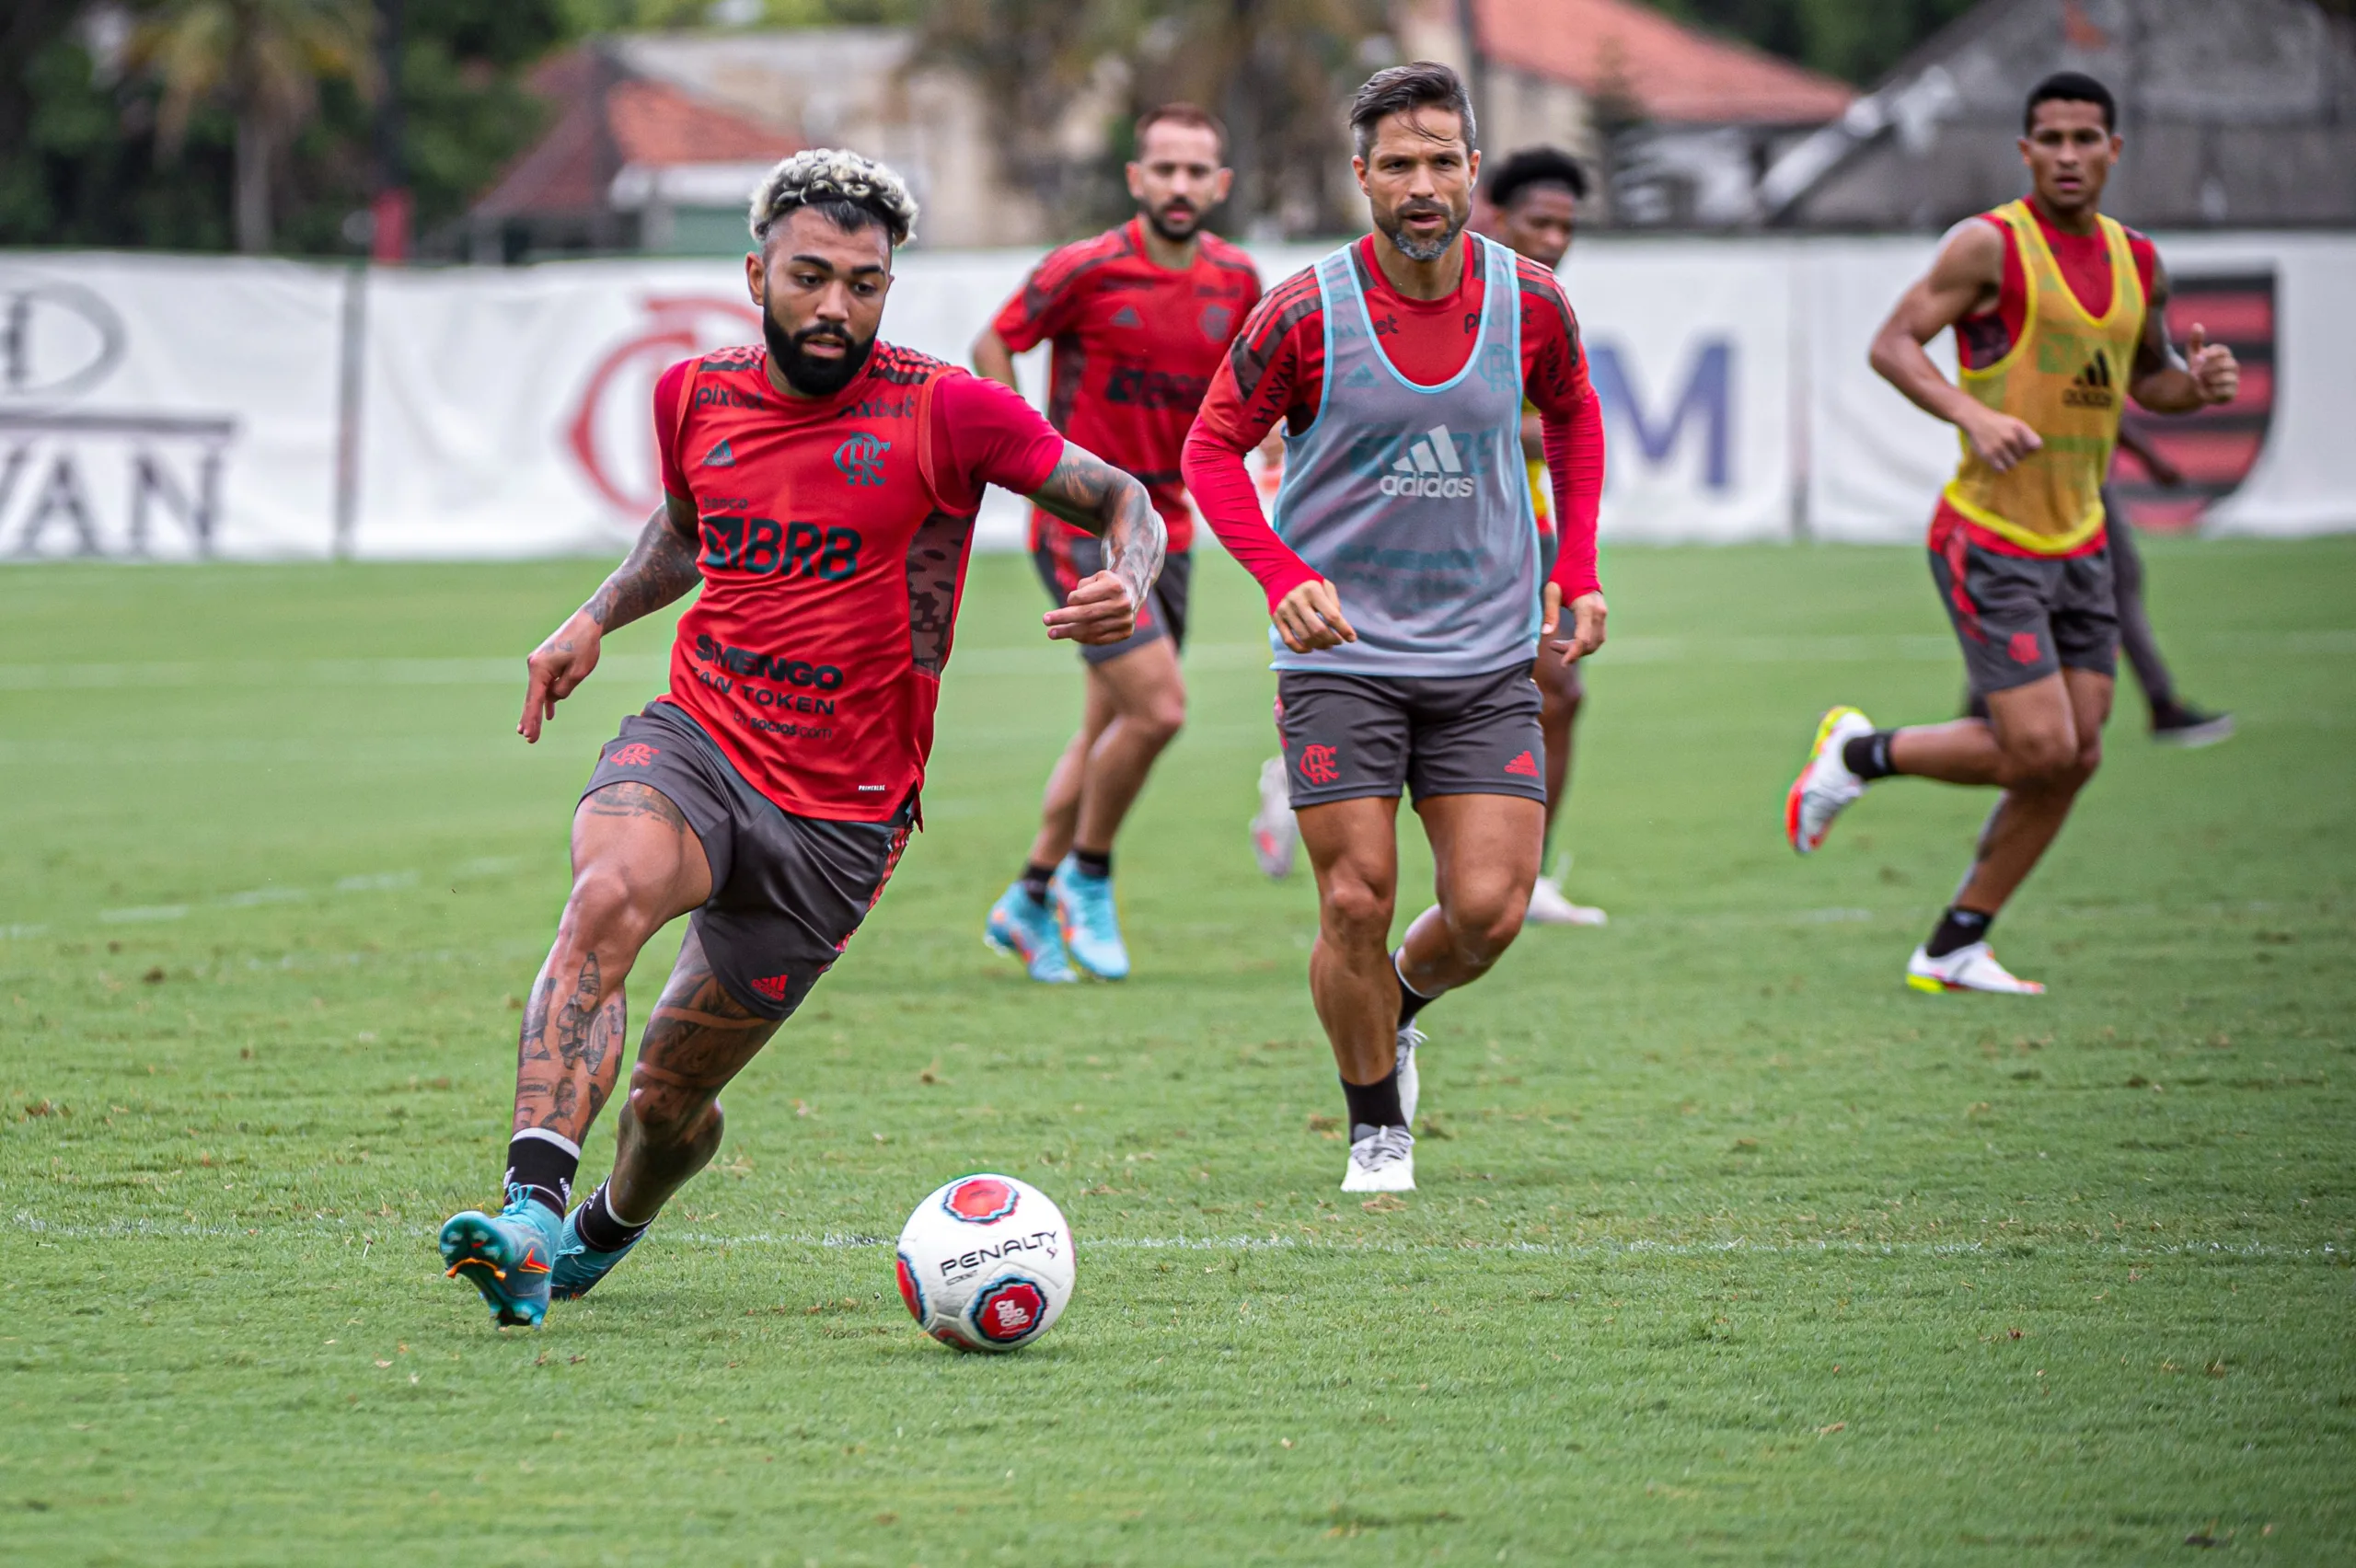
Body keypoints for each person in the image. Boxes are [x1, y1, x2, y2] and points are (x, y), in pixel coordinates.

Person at [437, 150, 1163, 1328]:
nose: (836, 308)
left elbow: (1127, 497)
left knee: (670, 1105)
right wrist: (593, 616)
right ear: (755, 271)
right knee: (606, 892)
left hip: (841, 818)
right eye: (811, 277)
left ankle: (597, 1233)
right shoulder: (693, 396)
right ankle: (526, 1207)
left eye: (864, 286)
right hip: (701, 741)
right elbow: (685, 535)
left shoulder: (947, 409)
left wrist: (1128, 579)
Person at [1183, 63, 1607, 1193]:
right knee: (1353, 898)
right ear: (1361, 176)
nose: (1422, 186)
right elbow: (1209, 449)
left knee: (1487, 913)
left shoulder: (1531, 302)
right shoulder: (1303, 309)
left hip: (1483, 659)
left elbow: (1571, 414)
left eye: (1441, 161)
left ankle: (1397, 1008)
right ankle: (1377, 1126)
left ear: (1472, 168)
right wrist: (1278, 574)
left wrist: (1578, 565)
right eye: (1398, 165)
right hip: (1342, 662)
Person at [1788, 73, 2237, 995]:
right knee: (2037, 747)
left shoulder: (2136, 262)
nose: (2068, 155)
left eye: (2085, 138)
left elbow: (2143, 379)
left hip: (2081, 541)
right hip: (1988, 533)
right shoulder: (1990, 247)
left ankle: (1956, 941)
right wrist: (1971, 414)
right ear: (2024, 151)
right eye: (2050, 139)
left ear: (2114, 150)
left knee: (2075, 756)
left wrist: (2196, 387)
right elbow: (1892, 344)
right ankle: (1855, 755)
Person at [976, 105, 1264, 983]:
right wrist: (1034, 455)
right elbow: (996, 341)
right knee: (1160, 710)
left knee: (1107, 726)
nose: (1180, 185)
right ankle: (1086, 881)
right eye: (1164, 169)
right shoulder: (1088, 268)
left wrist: (1274, 441)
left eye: (1197, 171)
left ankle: (1027, 899)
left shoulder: (1239, 281)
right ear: (1136, 179)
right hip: (1085, 527)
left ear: (1220, 185)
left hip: (1173, 532)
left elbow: (1250, 388)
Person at [1477, 145, 1606, 926]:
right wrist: (1536, 428)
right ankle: (1306, 779)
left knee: (1562, 690)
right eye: (1539, 222)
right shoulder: (1465, 292)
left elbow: (1562, 417)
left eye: (1566, 225)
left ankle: (1525, 880)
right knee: (1421, 693)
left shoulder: (1546, 302)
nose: (1555, 239)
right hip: (1449, 527)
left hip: (1529, 527)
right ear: (1493, 214)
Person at [1966, 425, 2235, 746]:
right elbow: (2093, 398)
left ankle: (1980, 704)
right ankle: (2161, 702)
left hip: (2057, 475)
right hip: (2065, 476)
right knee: (2067, 585)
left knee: (2030, 586)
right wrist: (2150, 456)